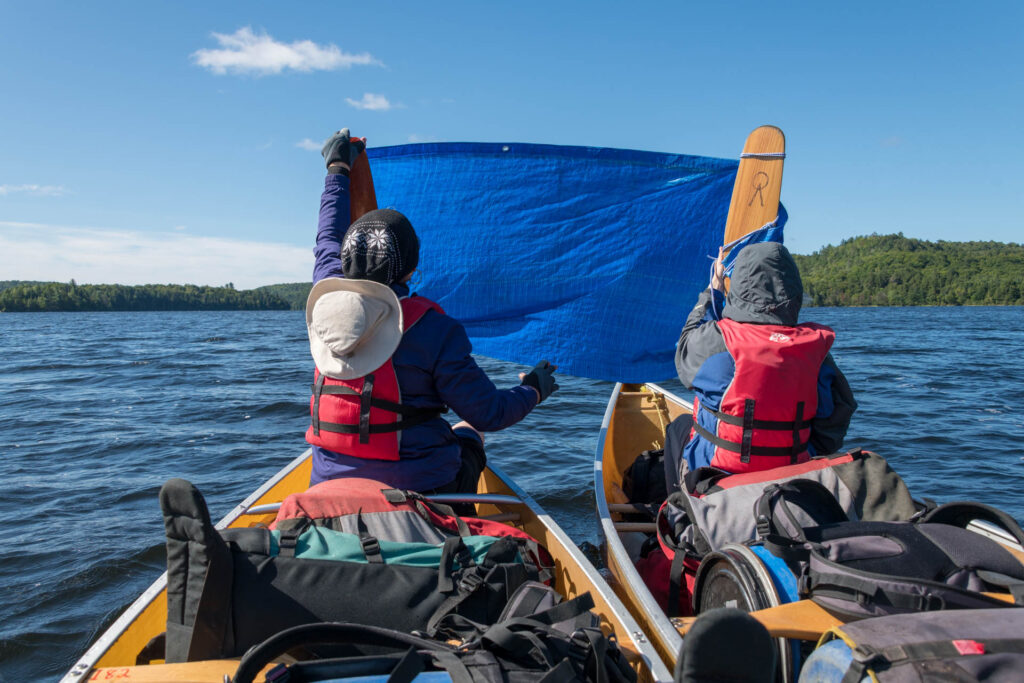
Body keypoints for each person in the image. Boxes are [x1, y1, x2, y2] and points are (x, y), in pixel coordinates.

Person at [305, 128, 558, 494]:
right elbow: (490, 413)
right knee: (469, 433)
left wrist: (337, 169)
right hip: (422, 490)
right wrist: (533, 389)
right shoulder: (434, 330)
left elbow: (327, 235)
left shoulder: (323, 299)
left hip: (329, 484)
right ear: (410, 271)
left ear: (344, 260)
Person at [674, 241, 856, 476]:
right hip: (792, 473)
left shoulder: (718, 341)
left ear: (740, 286)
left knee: (677, 428)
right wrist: (807, 452)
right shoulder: (815, 353)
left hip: (719, 475)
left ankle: (679, 507)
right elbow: (838, 413)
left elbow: (684, 349)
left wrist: (713, 292)